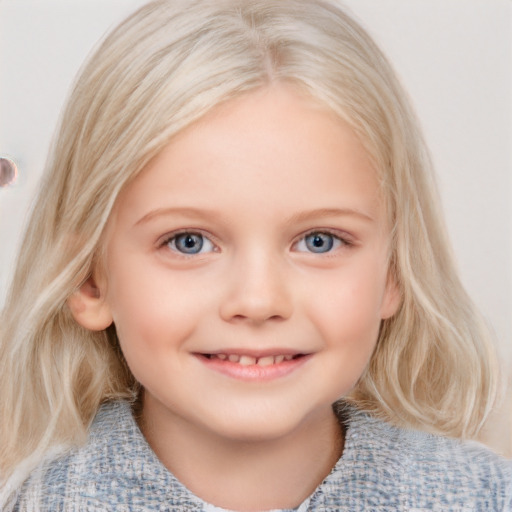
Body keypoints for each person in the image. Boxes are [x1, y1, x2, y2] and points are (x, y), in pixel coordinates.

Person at [0, 0, 510, 510]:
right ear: (90, 280)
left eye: (320, 241)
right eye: (188, 242)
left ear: (395, 271)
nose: (259, 299)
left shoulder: (486, 496)